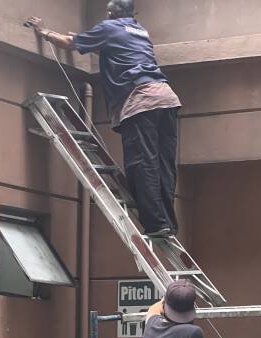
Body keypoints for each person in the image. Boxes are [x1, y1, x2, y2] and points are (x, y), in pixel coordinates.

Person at [27, 0, 181, 238]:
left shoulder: (109, 27)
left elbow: (69, 43)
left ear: (110, 12)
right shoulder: (139, 30)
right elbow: (117, 50)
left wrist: (43, 31)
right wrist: (88, 40)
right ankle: (168, 223)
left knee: (143, 163)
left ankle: (156, 224)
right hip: (167, 99)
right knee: (164, 165)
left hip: (141, 101)